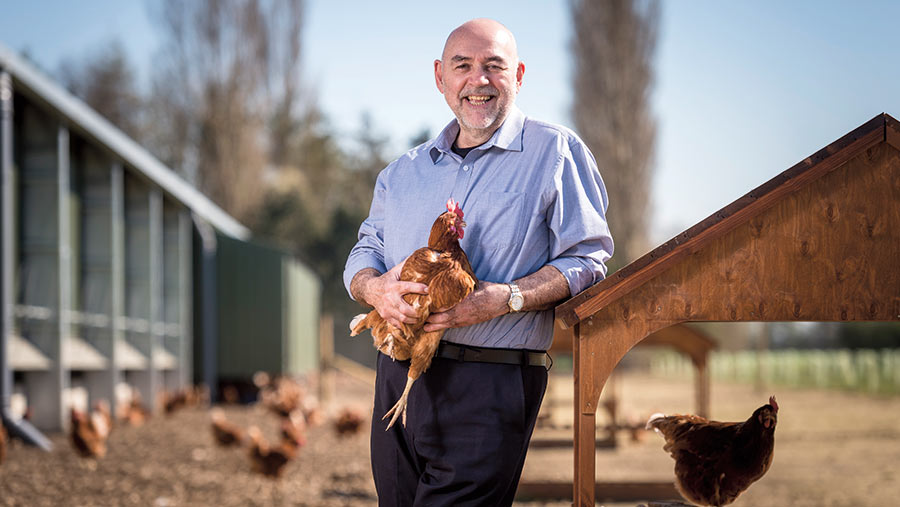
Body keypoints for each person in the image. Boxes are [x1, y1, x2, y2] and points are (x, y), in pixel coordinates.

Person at [343, 18, 613, 506]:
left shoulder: (555, 152)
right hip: (398, 372)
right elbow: (366, 250)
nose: (478, 80)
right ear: (440, 76)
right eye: (462, 66)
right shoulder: (402, 172)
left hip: (492, 377)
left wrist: (506, 298)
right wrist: (373, 288)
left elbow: (588, 258)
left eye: (494, 66)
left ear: (519, 75)